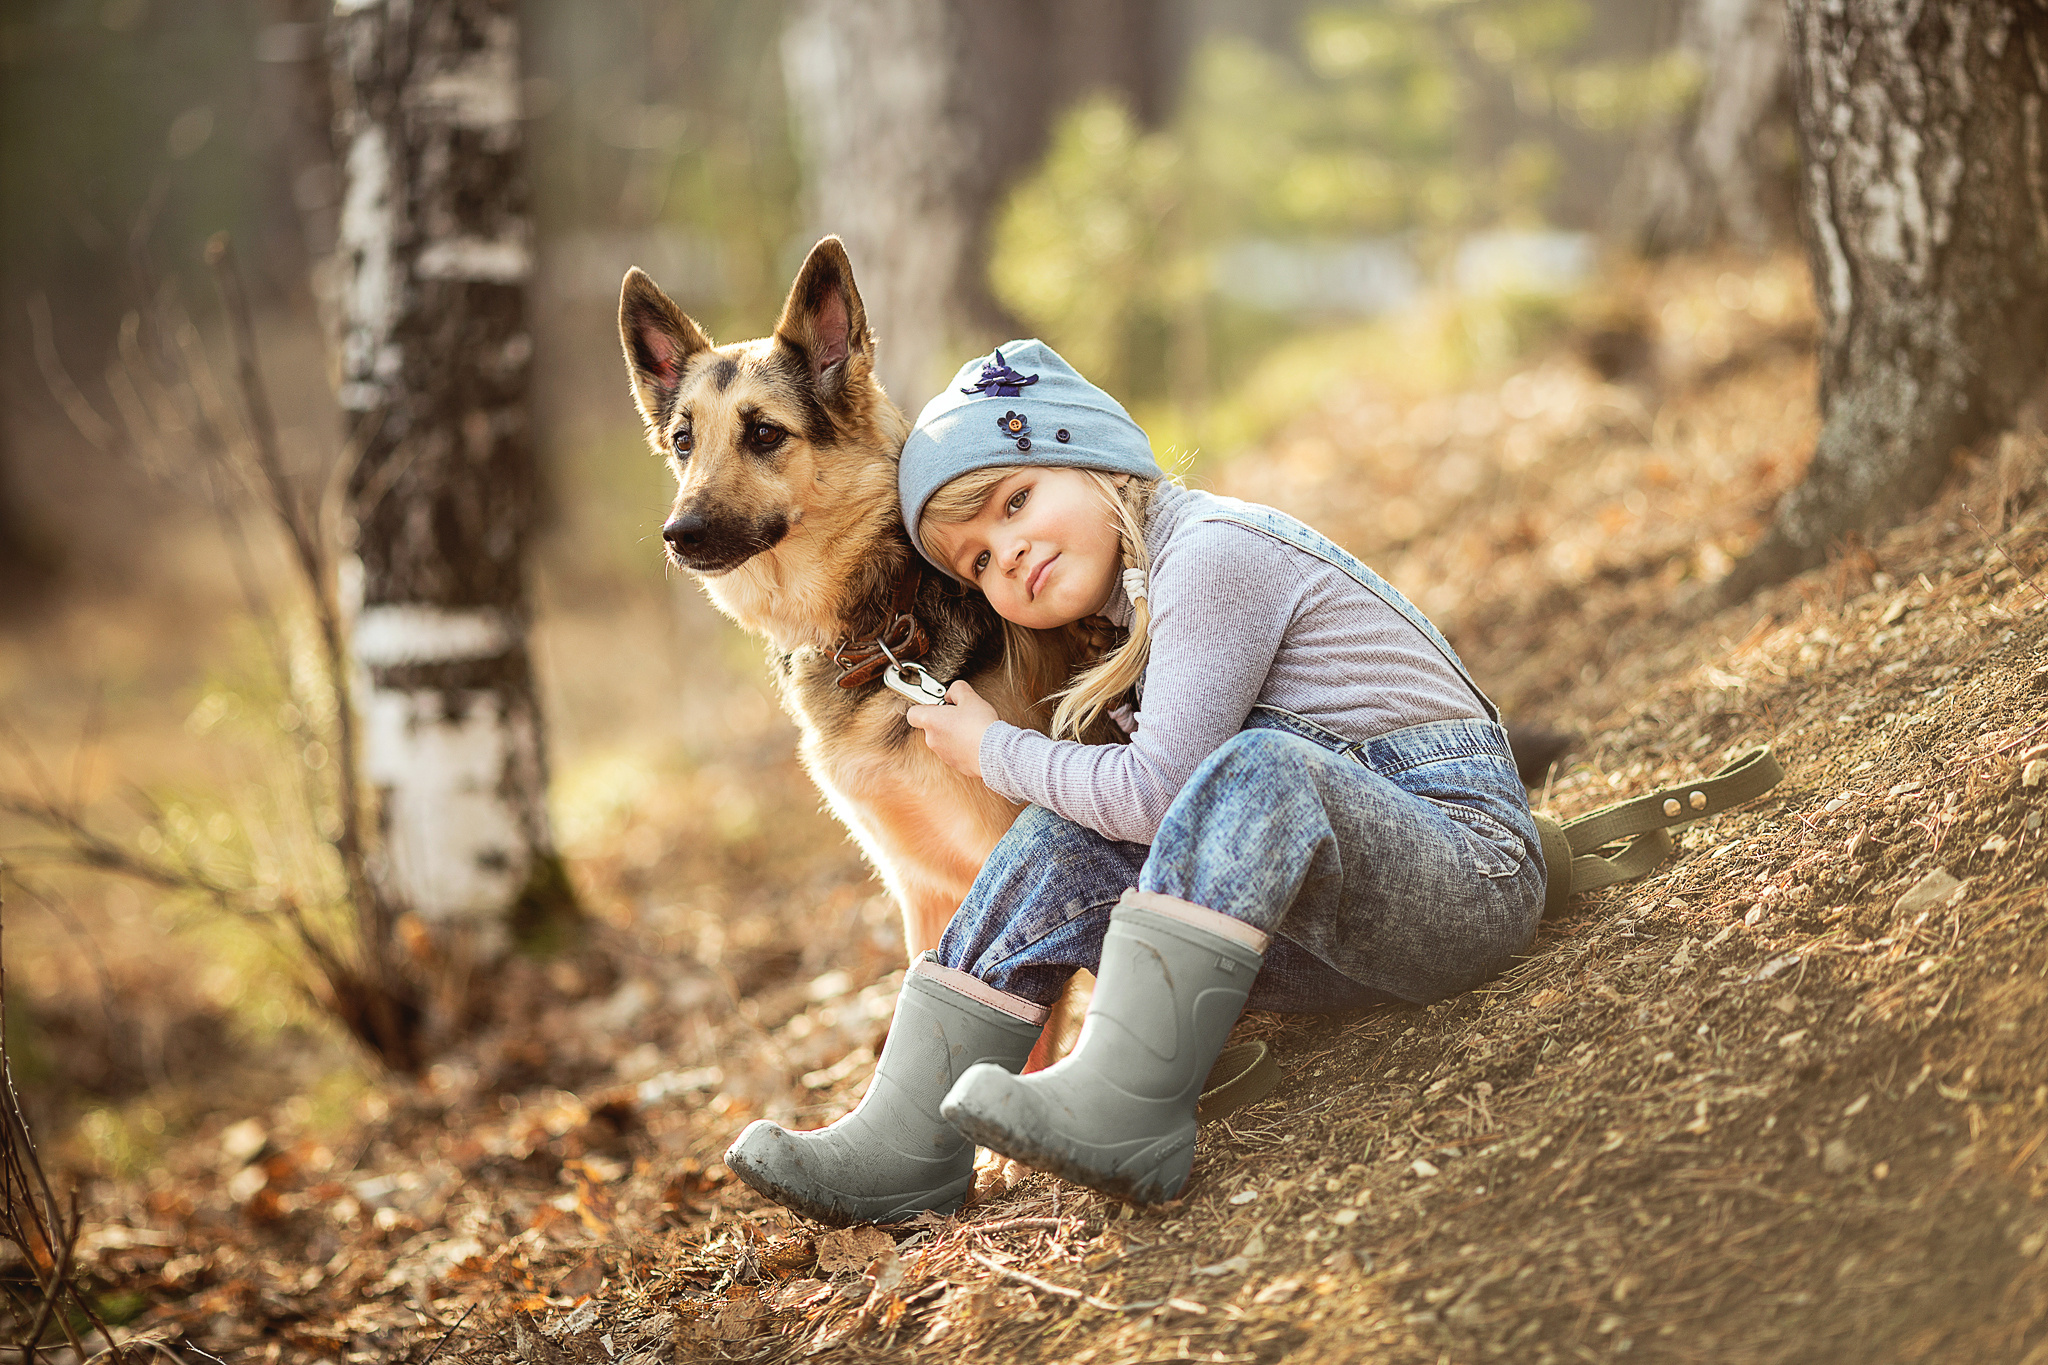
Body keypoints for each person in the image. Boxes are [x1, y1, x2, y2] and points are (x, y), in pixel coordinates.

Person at [724, 341, 1545, 1224]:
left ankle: (1126, 1101)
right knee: (1056, 835)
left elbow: (1160, 795)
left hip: (1467, 878)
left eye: (1016, 500)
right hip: (1335, 929)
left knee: (1257, 769)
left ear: (1093, 453)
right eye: (978, 562)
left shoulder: (1212, 553)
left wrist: (994, 748)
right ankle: (908, 1139)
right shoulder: (1121, 616)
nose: (1010, 552)